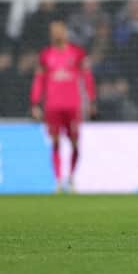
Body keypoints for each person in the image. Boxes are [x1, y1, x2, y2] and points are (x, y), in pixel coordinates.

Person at [30, 21, 97, 193]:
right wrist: (35, 102)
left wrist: (91, 100)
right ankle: (59, 180)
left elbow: (87, 77)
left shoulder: (77, 53)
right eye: (54, 31)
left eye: (60, 31)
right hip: (52, 106)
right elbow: (39, 80)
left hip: (73, 105)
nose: (57, 34)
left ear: (65, 32)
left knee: (75, 143)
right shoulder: (45, 56)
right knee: (55, 142)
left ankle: (72, 177)